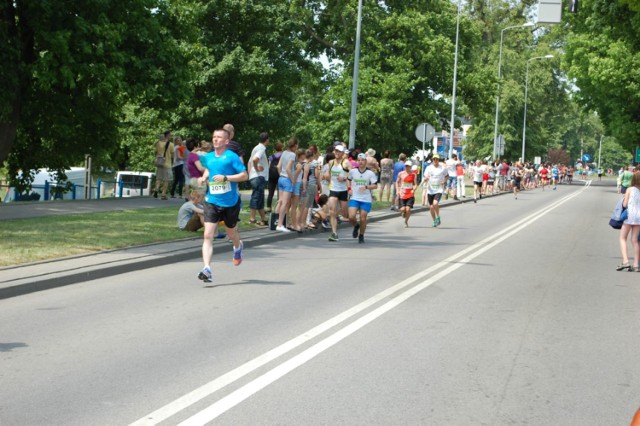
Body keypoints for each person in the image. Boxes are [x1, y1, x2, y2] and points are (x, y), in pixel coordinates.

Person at [196, 128, 248, 282]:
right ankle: (207, 269)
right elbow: (208, 170)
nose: (215, 139)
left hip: (230, 202)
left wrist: (226, 178)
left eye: (219, 137)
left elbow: (245, 175)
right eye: (214, 137)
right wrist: (203, 178)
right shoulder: (209, 157)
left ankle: (237, 247)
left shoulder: (232, 157)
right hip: (212, 201)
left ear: (226, 141)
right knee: (208, 235)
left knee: (231, 233)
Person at [348, 153, 378, 243]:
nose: (360, 162)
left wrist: (366, 187)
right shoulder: (353, 171)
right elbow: (348, 180)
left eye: (362, 160)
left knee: (363, 218)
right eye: (359, 160)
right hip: (355, 197)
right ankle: (356, 226)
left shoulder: (370, 173)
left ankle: (361, 235)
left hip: (365, 198)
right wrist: (349, 188)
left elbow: (375, 186)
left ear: (365, 161)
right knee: (351, 217)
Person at [324, 143, 351, 241]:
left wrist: (344, 178)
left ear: (343, 153)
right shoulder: (331, 162)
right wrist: (327, 175)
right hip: (333, 189)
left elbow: (353, 175)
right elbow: (328, 173)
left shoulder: (346, 162)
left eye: (339, 151)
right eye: (336, 151)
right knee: (332, 211)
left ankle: (353, 223)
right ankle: (334, 233)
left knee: (345, 213)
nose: (337, 153)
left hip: (343, 190)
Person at [275, 137, 299, 233]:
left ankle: (276, 221)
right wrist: (292, 180)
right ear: (295, 145)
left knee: (280, 202)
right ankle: (280, 224)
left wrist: (281, 174)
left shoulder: (284, 152)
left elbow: (278, 166)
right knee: (285, 203)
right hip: (287, 180)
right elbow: (289, 168)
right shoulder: (293, 155)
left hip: (281, 178)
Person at [618, 171, 640, 271]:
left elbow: (625, 205)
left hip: (629, 216)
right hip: (639, 217)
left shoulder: (630, 189)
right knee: (635, 240)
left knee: (623, 238)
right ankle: (636, 264)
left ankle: (625, 261)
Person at [247, 132, 270, 226]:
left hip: (254, 176)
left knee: (260, 198)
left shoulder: (255, 148)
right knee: (256, 197)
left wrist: (250, 174)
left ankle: (263, 219)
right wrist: (256, 168)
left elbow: (249, 162)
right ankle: (252, 218)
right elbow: (255, 160)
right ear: (267, 140)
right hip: (259, 176)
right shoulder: (261, 148)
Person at [423, 154, 447, 227]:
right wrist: (426, 179)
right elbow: (425, 177)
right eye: (434, 159)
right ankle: (434, 221)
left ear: (438, 160)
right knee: (431, 207)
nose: (435, 161)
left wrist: (444, 181)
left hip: (438, 189)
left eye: (437, 159)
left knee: (435, 203)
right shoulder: (428, 168)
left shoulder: (442, 168)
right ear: (432, 160)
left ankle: (438, 216)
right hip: (430, 190)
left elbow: (447, 176)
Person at [153, 130, 174, 200]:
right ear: (167, 135)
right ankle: (163, 194)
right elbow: (172, 154)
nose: (171, 136)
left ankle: (156, 190)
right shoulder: (170, 144)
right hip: (167, 163)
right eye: (170, 135)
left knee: (159, 178)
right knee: (166, 180)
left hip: (159, 162)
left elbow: (155, 151)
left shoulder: (158, 143)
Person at [396, 160, 417, 227]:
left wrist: (414, 189)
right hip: (402, 193)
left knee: (408, 209)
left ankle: (406, 221)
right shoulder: (401, 174)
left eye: (408, 166)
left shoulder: (413, 174)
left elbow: (416, 184)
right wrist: (397, 190)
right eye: (406, 166)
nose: (407, 167)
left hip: (410, 193)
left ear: (410, 167)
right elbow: (397, 182)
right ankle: (403, 212)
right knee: (402, 209)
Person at [266, 142, 283, 213]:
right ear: (281, 148)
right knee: (280, 193)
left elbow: (269, 166)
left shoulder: (271, 156)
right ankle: (278, 208)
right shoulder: (283, 155)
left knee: (270, 193)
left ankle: (268, 209)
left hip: (272, 176)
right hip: (280, 175)